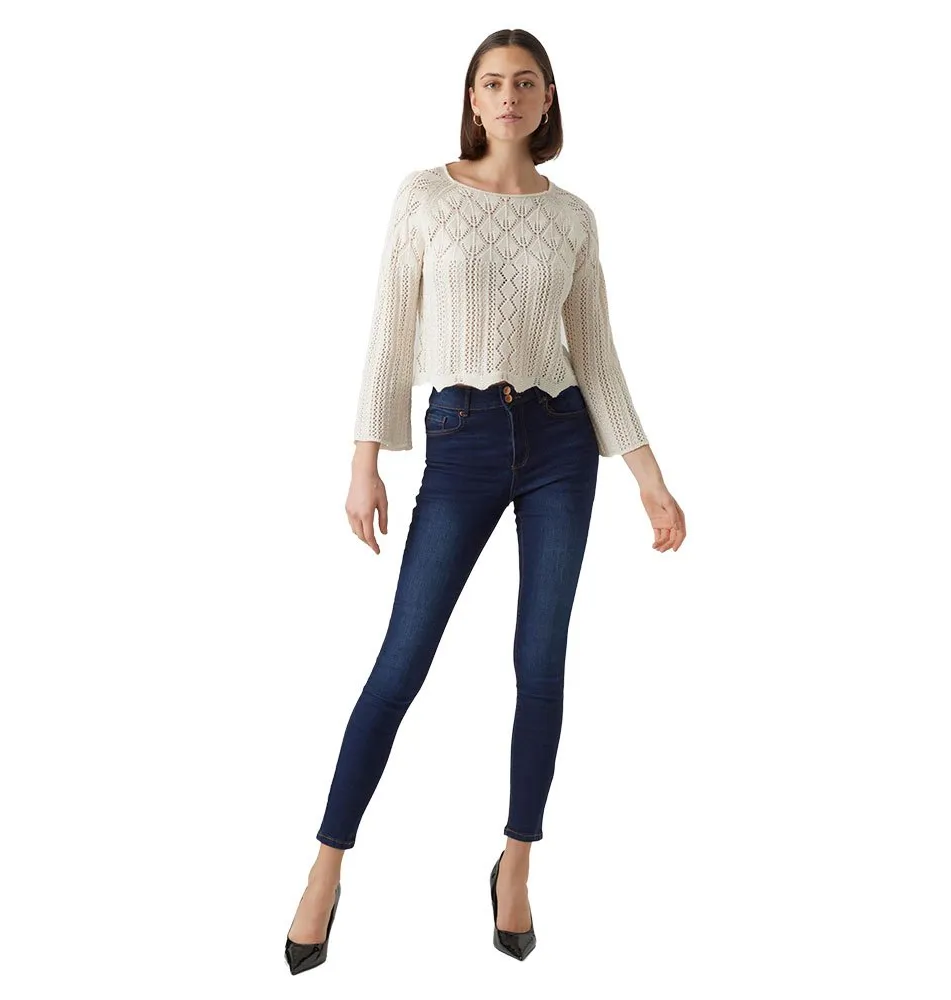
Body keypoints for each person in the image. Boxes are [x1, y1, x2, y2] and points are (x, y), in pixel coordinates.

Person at [285, 27, 686, 973]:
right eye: (493, 82)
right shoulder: (424, 196)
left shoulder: (573, 217)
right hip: (460, 439)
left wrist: (650, 478)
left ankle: (516, 862)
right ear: (472, 99)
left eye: (526, 82)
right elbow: (390, 331)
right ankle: (325, 867)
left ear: (547, 101)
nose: (509, 96)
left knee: (541, 665)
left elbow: (597, 355)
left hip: (560, 444)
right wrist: (365, 461)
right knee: (400, 665)